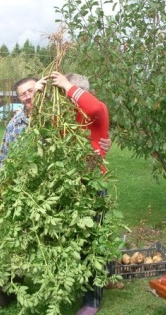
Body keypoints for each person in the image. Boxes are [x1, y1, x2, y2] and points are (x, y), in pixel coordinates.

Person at [47, 71, 109, 315]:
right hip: (67, 184)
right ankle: (75, 285)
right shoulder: (65, 117)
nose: (64, 99)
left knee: (94, 241)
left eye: (67, 94)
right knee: (71, 239)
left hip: (93, 184)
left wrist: (66, 85)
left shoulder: (97, 109)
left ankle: (93, 299)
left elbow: (93, 109)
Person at [0, 76, 111, 170]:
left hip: (89, 174)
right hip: (36, 178)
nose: (29, 96)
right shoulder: (15, 123)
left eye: (32, 91)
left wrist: (68, 86)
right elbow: (4, 154)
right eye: (23, 94)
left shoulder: (57, 115)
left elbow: (95, 110)